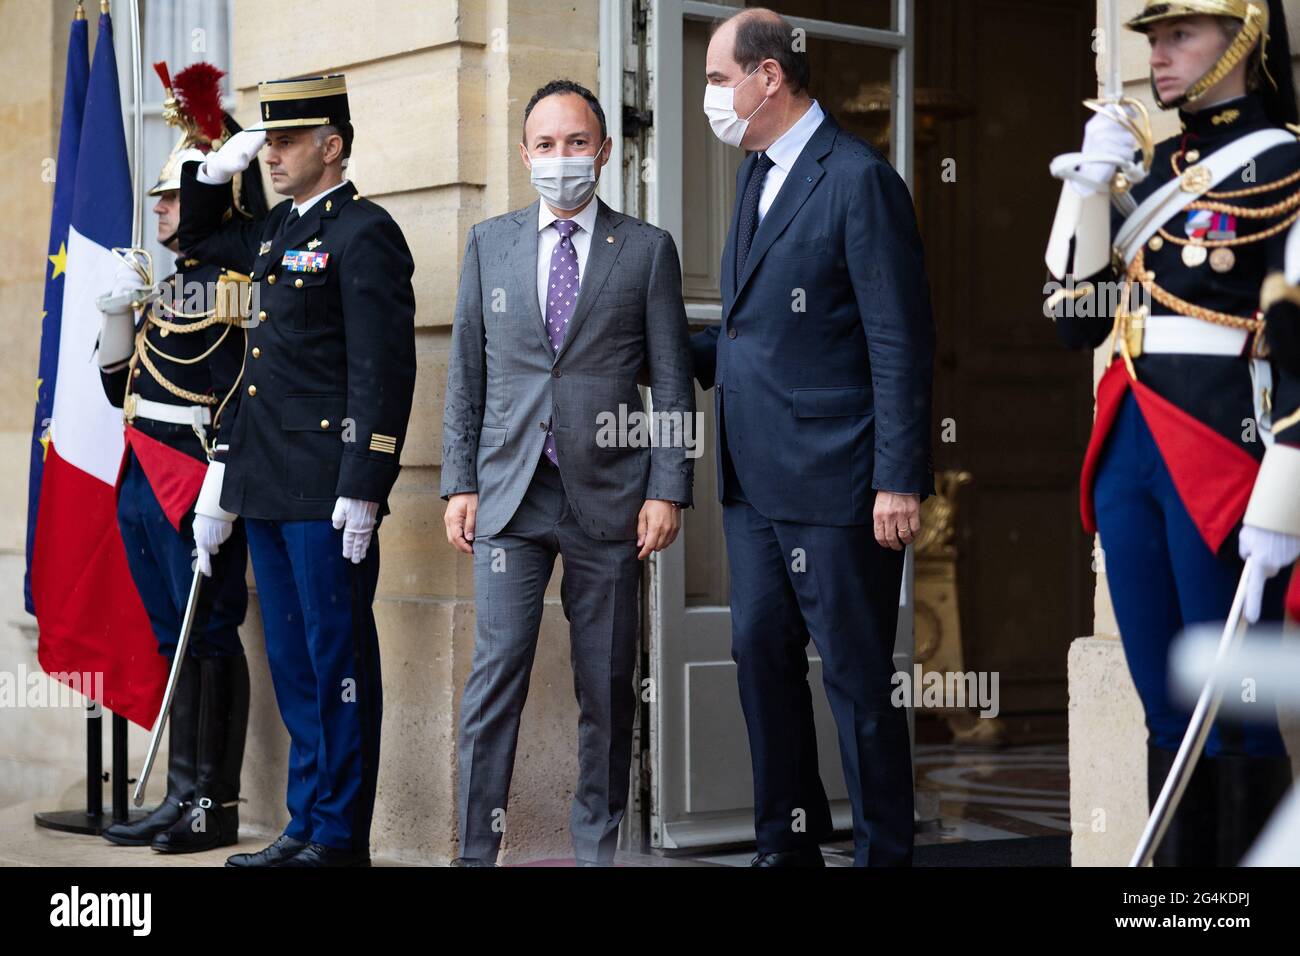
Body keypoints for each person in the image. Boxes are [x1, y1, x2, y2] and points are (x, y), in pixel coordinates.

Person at [1044, 0, 1299, 865]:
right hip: (1131, 444)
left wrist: (1286, 493)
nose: (1159, 55)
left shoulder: (1287, 165)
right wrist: (1085, 192)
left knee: (1238, 703)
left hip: (1223, 452)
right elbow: (1075, 319)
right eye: (1153, 38)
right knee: (1164, 700)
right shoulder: (1153, 170)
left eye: (1180, 35)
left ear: (1245, 40)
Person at [691, 8, 935, 867]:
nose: (711, 97)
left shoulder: (858, 179)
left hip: (841, 482)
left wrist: (899, 478)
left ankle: (883, 855)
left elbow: (899, 340)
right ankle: (783, 850)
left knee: (859, 683)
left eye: (720, 79)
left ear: (768, 78)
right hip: (754, 481)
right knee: (760, 660)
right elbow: (755, 332)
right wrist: (654, 343)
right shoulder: (756, 174)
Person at [440, 79, 694, 867]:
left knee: (607, 689)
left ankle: (596, 853)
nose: (561, 159)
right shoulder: (490, 244)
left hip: (609, 502)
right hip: (510, 499)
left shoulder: (646, 250)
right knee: (495, 679)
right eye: (545, 146)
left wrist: (666, 487)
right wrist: (460, 481)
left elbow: (674, 382)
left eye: (576, 143)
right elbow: (465, 377)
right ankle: (476, 855)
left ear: (605, 151)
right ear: (524, 156)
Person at [178, 74, 417, 867]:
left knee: (336, 658)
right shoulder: (279, 228)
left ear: (333, 145)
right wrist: (214, 169)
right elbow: (203, 239)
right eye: (267, 142)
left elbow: (383, 370)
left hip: (326, 487)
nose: (271, 154)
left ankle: (340, 836)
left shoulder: (365, 232)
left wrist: (366, 483)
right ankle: (307, 823)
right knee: (292, 662)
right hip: (267, 482)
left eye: (284, 141)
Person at [96, 62, 264, 855]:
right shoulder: (176, 284)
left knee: (209, 634)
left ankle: (212, 805)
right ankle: (178, 791)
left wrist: (210, 148)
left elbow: (239, 385)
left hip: (193, 479)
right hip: (143, 474)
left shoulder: (235, 276)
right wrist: (117, 318)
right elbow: (118, 392)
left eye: (173, 196)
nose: (161, 210)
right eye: (160, 198)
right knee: (173, 637)